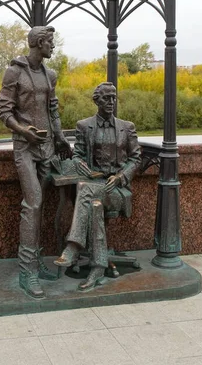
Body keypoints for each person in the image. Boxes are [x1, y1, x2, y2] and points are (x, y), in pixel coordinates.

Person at [0, 25, 72, 299]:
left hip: (47, 148)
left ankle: (36, 262)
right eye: (50, 42)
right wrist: (22, 130)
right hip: (25, 148)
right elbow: (4, 109)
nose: (53, 47)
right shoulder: (15, 71)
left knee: (40, 206)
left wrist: (61, 138)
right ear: (39, 43)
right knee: (33, 203)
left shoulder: (50, 74)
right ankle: (26, 271)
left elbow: (53, 109)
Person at [54, 82, 141, 291]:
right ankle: (98, 266)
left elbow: (136, 159)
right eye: (106, 98)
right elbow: (78, 154)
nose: (111, 101)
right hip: (93, 184)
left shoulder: (126, 127)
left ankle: (73, 247)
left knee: (85, 191)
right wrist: (81, 164)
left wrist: (120, 177)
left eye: (113, 97)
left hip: (117, 190)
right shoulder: (84, 126)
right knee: (93, 204)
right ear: (96, 100)